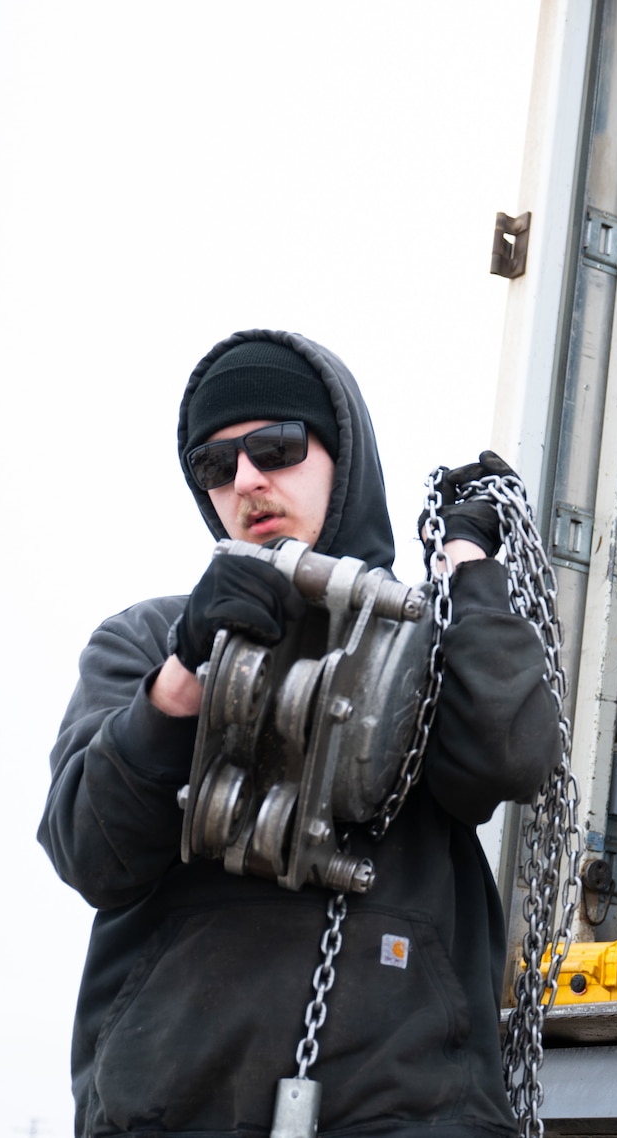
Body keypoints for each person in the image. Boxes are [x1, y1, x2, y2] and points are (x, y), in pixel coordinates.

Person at [39, 331, 560, 1137]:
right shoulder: (144, 642)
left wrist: (467, 569)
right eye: (216, 467)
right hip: (172, 1107)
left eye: (275, 447)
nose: (246, 480)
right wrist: (183, 676)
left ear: (340, 455)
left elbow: (508, 756)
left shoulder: (425, 640)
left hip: (405, 1109)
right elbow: (89, 850)